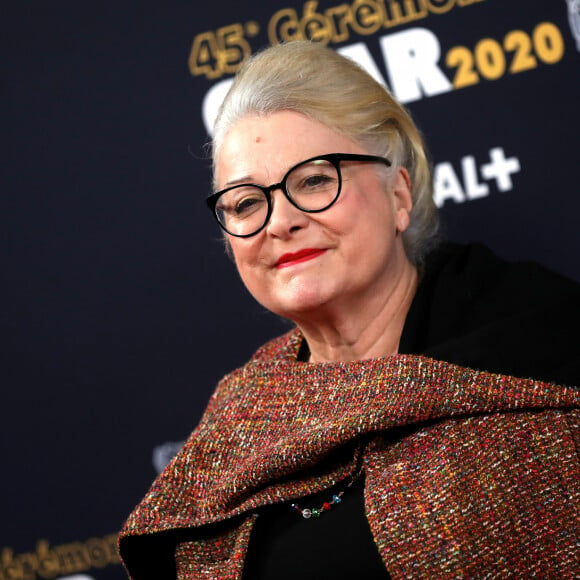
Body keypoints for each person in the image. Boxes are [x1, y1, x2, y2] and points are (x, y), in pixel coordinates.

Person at [118, 41, 580, 578]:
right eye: (245, 202)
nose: (278, 221)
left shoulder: (540, 355)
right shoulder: (241, 409)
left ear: (399, 195)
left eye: (314, 179)